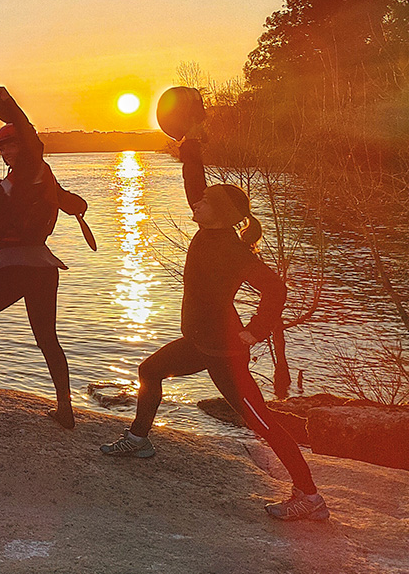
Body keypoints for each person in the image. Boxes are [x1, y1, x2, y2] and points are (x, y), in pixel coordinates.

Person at [99, 129, 329, 522]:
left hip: (224, 352)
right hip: (197, 343)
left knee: (261, 422)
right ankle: (138, 439)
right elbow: (196, 186)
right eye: (201, 198)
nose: (197, 202)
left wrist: (255, 330)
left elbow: (276, 289)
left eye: (205, 201)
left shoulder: (233, 251)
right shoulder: (208, 231)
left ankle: (310, 496)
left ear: (220, 213)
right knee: (149, 370)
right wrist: (190, 147)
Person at [0, 81, 86, 430]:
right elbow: (64, 200)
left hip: (21, 266)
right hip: (32, 266)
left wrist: (8, 103)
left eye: (12, 144)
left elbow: (28, 134)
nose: (8, 151)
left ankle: (63, 406)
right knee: (12, 328)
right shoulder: (35, 178)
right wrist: (73, 204)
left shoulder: (33, 165)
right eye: (3, 147)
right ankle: (61, 405)